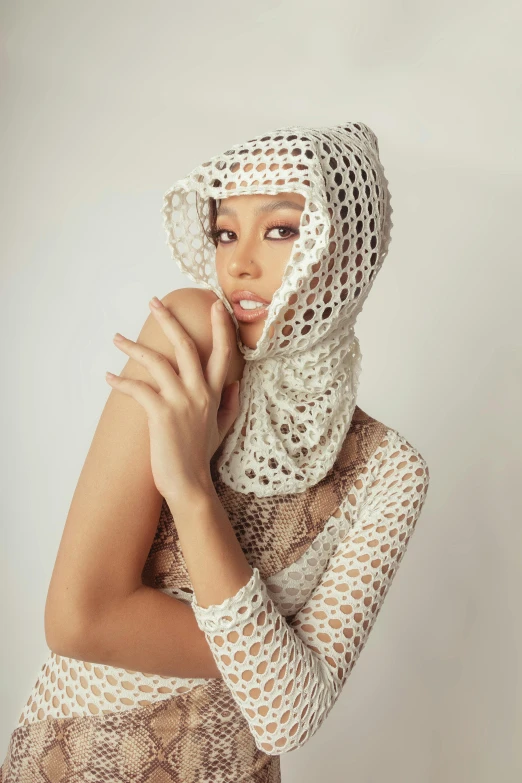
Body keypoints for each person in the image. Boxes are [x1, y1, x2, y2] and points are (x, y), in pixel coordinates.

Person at [1, 122, 430, 782]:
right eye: (226, 230)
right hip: (70, 764)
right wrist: (275, 657)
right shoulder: (190, 336)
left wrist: (190, 489)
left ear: (349, 252)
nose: (239, 262)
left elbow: (288, 718)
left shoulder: (389, 469)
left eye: (280, 229)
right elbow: (77, 619)